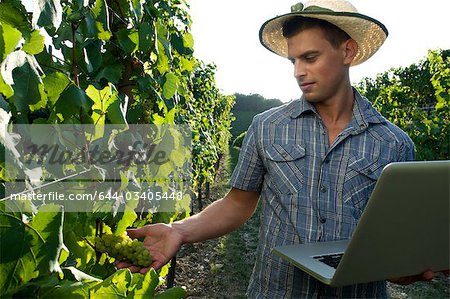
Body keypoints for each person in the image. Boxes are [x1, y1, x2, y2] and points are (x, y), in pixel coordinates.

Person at [118, 0, 439, 297]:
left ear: (348, 51)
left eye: (310, 57)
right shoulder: (267, 126)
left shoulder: (394, 143)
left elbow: (392, 232)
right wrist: (178, 230)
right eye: (294, 60)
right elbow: (237, 204)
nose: (299, 71)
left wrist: (403, 265)